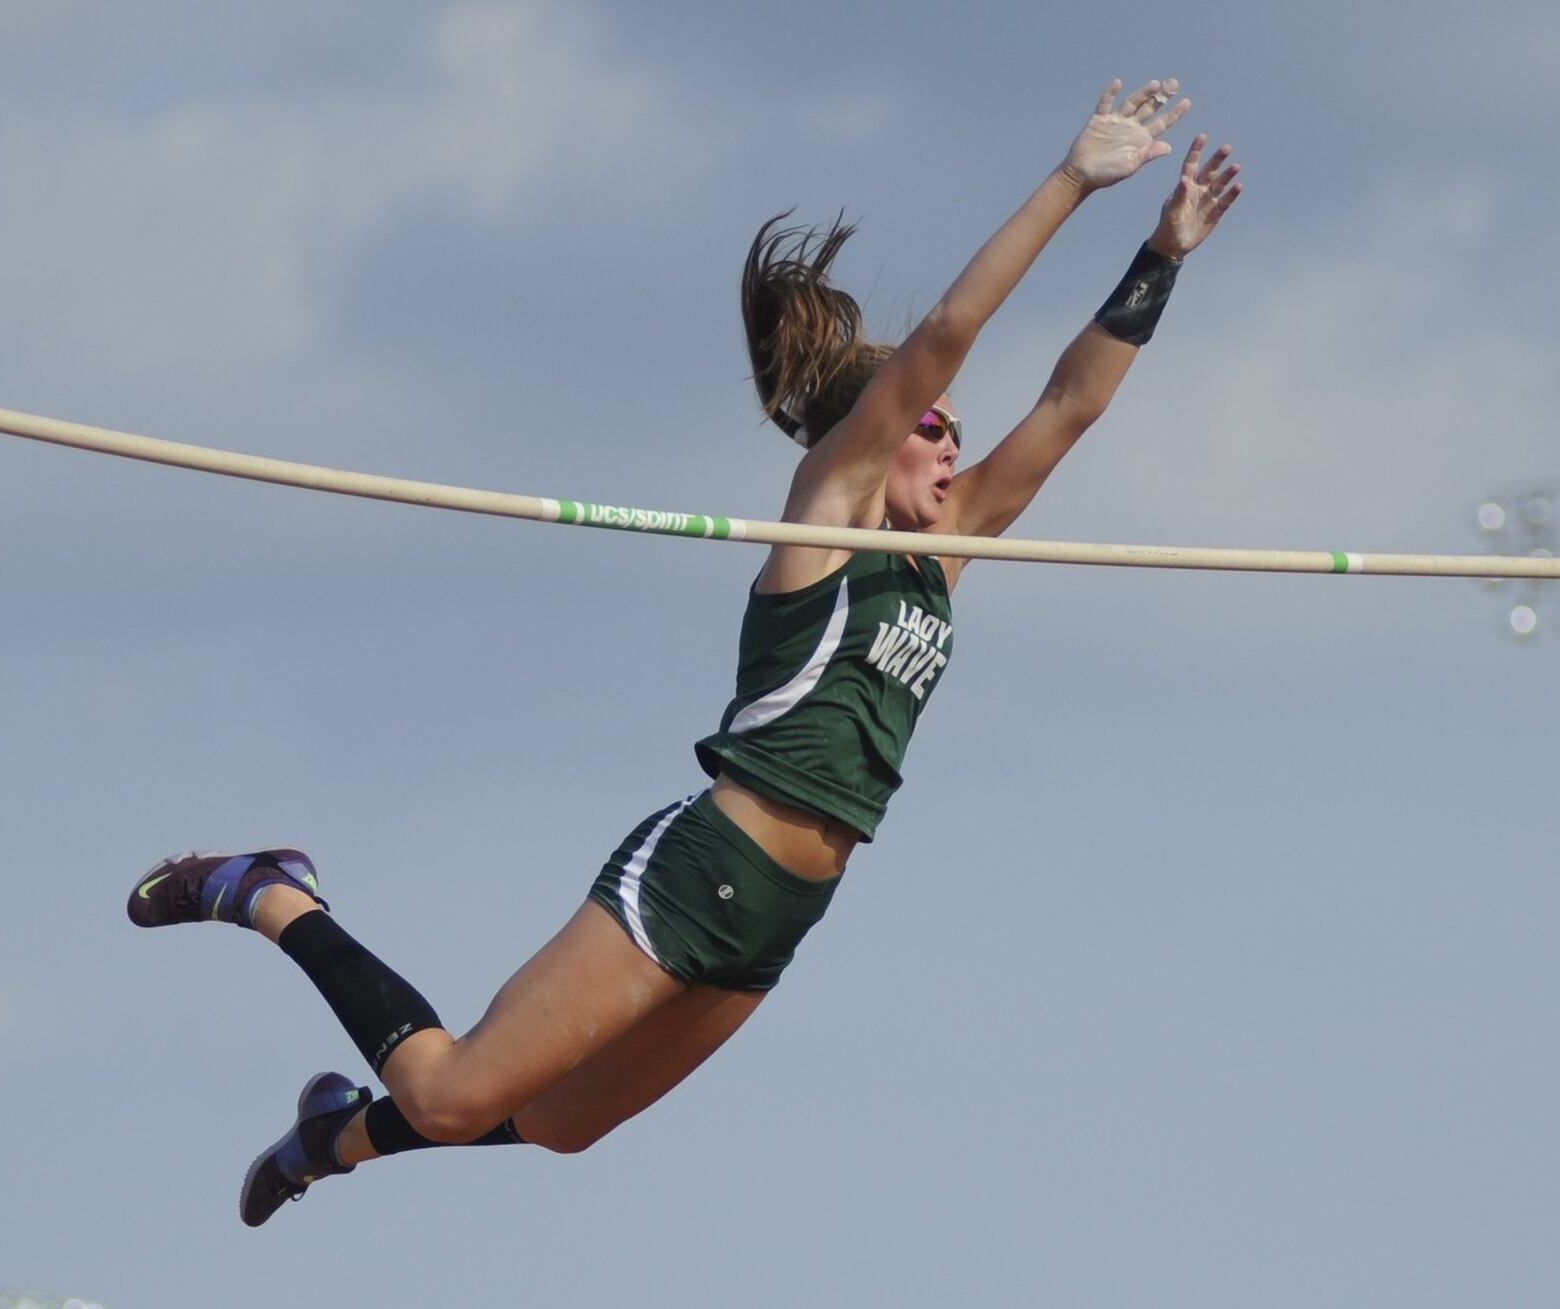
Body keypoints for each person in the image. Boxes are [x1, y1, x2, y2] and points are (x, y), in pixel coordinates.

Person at [127, 77, 1242, 1227]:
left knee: (560, 1125)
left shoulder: (943, 553)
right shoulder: (827, 514)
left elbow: (1067, 406)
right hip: (706, 861)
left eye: (958, 430)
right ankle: (266, 892)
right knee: (454, 1093)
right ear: (870, 437)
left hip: (786, 909)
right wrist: (1071, 181)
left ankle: (334, 1136)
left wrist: (1163, 252)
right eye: (931, 424)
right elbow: (948, 334)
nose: (954, 443)